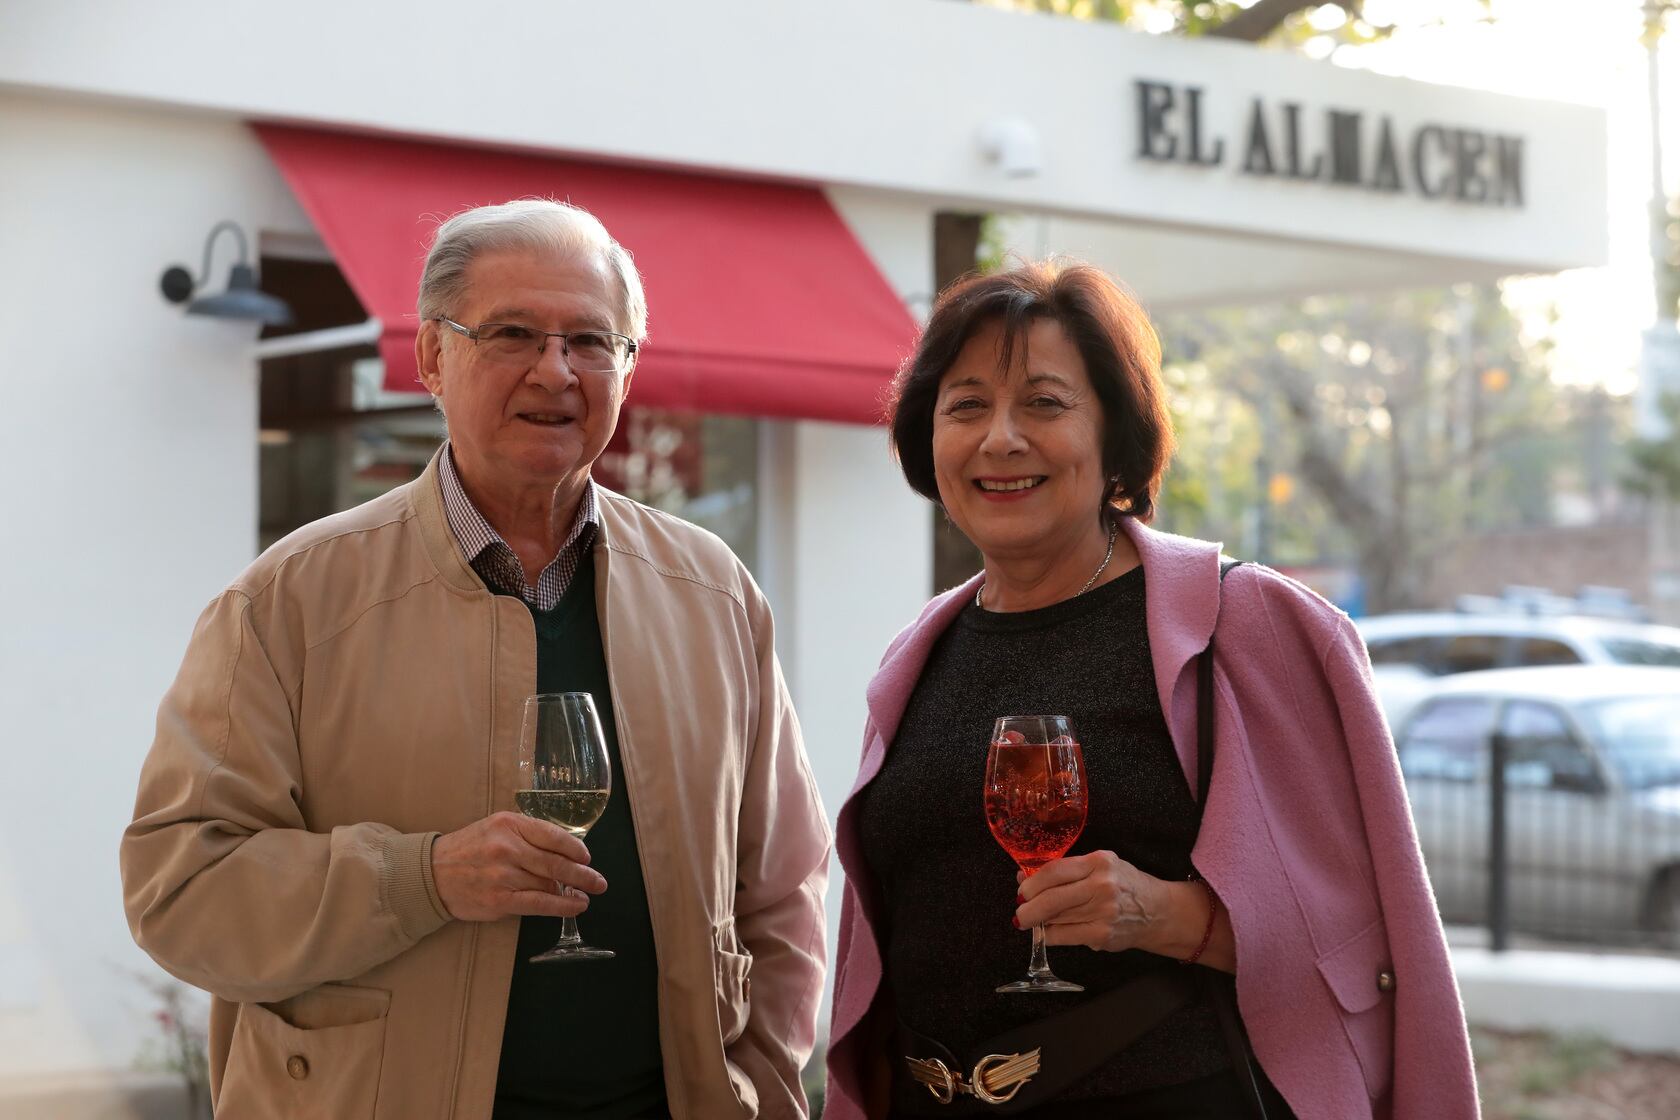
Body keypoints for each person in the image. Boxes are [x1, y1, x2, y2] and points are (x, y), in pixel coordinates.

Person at [120, 199, 830, 1120]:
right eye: (513, 334)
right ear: (430, 359)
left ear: (628, 367)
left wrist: (758, 1088)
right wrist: (423, 879)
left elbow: (785, 889)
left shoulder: (713, 593)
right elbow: (181, 886)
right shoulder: (288, 603)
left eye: (590, 339)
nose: (555, 370)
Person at [823, 261, 1478, 1119]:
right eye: (967, 406)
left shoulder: (1247, 623)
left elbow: (1368, 936)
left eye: (1045, 403)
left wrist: (1175, 917)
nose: (1001, 439)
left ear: (1116, 435)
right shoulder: (918, 652)